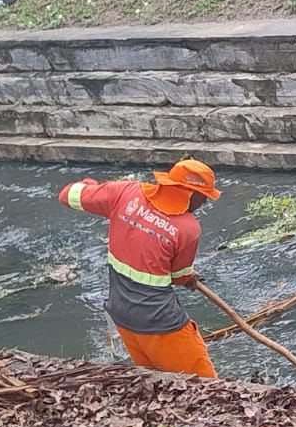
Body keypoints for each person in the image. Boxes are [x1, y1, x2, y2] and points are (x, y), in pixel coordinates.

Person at [57, 159, 221, 378]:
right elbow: (179, 276)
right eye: (204, 197)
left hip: (123, 317)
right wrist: (190, 278)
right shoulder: (187, 228)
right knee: (205, 386)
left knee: (156, 381)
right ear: (191, 194)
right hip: (161, 323)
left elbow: (68, 195)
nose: (205, 204)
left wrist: (94, 186)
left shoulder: (124, 192)